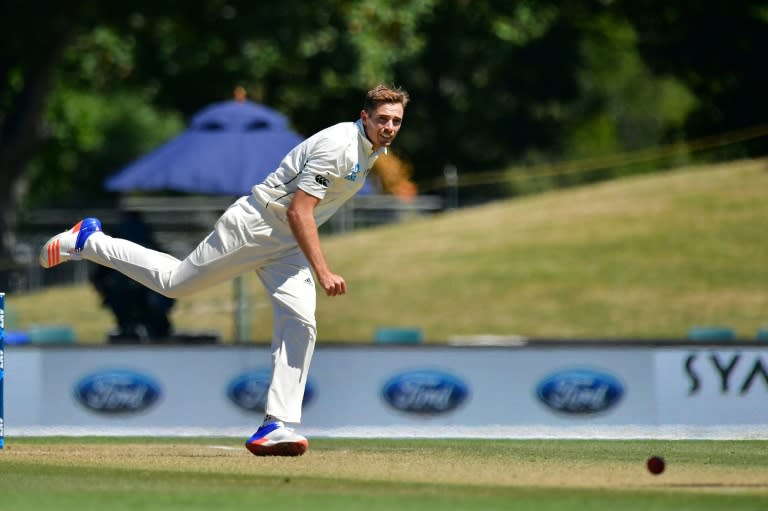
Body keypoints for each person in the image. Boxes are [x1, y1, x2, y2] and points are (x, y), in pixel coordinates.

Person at [39, 84, 409, 456]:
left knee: (301, 321)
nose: (389, 127)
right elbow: (299, 211)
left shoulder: (371, 150)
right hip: (253, 227)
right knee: (173, 283)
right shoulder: (340, 147)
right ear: (365, 117)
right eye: (382, 119)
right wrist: (323, 270)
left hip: (284, 244)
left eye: (395, 120)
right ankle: (89, 240)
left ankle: (275, 425)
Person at [89, 210, 175, 342]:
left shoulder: (116, 249)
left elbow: (97, 278)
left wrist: (106, 295)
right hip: (144, 305)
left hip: (132, 303)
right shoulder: (149, 244)